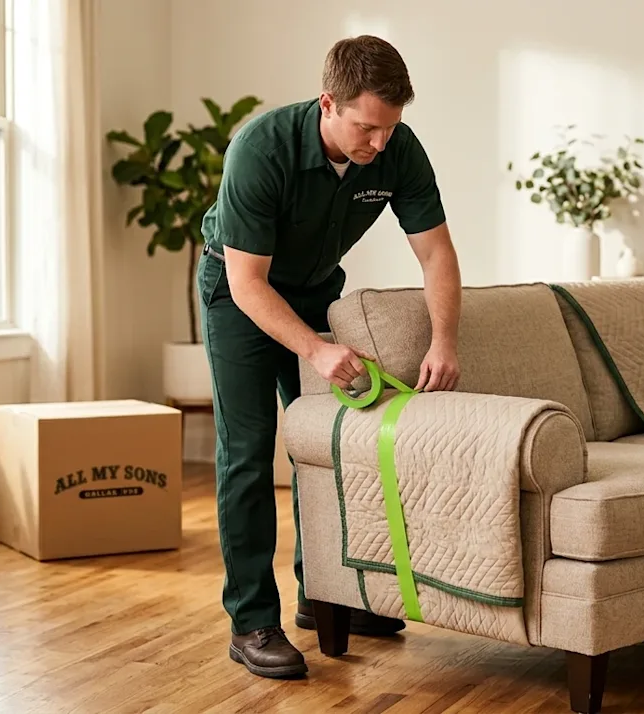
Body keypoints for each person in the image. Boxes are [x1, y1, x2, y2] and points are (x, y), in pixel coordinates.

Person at [196, 35, 463, 679]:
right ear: (328, 104)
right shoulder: (260, 149)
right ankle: (253, 619)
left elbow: (435, 253)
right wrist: (314, 350)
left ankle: (325, 595)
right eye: (366, 128)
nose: (378, 144)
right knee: (251, 449)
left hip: (317, 291)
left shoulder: (396, 146)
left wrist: (444, 339)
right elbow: (248, 282)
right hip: (240, 294)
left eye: (389, 129)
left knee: (333, 444)